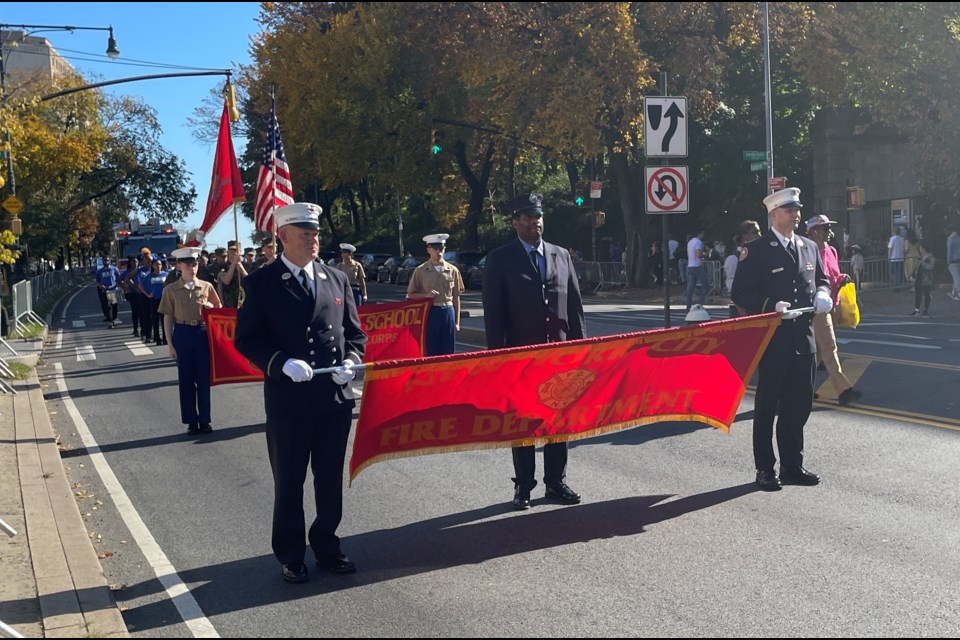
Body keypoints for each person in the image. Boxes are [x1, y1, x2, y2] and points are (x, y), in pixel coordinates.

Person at [234, 202, 367, 584]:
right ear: (284, 236)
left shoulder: (335, 278)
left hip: (332, 399)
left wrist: (351, 362)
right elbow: (246, 339)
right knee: (290, 481)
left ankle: (327, 545)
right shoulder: (260, 283)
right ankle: (292, 555)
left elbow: (355, 333)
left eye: (316, 233)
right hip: (289, 402)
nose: (314, 240)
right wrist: (279, 363)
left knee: (329, 479)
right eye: (305, 234)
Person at [482, 192, 586, 510]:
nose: (534, 222)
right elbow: (493, 312)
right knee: (524, 422)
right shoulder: (500, 259)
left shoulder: (560, 255)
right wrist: (496, 357)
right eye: (527, 218)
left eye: (538, 217)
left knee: (558, 421)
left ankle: (556, 482)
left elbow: (575, 306)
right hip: (520, 355)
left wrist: (583, 348)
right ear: (515, 222)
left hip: (559, 354)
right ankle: (524, 485)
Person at [731, 187, 833, 492]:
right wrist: (771, 307)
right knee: (767, 406)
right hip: (773, 339)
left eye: (797, 209)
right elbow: (740, 293)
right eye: (789, 209)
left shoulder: (808, 246)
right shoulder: (757, 249)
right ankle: (765, 468)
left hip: (803, 338)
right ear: (774, 214)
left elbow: (821, 280)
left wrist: (825, 293)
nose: (796, 214)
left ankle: (792, 465)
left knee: (798, 405)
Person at [158, 247, 222, 436]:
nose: (192, 268)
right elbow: (167, 317)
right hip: (183, 332)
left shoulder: (206, 286)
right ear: (179, 266)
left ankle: (205, 420)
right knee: (186, 380)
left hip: (202, 332)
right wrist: (170, 344)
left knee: (203, 379)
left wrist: (210, 306)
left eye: (194, 264)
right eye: (188, 265)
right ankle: (191, 421)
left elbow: (218, 307)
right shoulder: (171, 289)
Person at [806, 215, 862, 406]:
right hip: (817, 308)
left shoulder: (831, 251)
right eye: (825, 228)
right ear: (813, 231)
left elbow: (833, 275)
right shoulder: (807, 252)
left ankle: (803, 387)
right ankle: (844, 390)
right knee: (829, 347)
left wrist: (842, 278)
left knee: (819, 353)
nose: (829, 232)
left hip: (833, 304)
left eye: (829, 227)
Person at [406, 233, 465, 355]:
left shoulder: (452, 270)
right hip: (430, 312)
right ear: (429, 250)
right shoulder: (421, 270)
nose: (439, 252)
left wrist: (457, 322)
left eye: (442, 248)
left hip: (448, 311)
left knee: (448, 351)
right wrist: (426, 296)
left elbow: (456, 298)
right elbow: (411, 294)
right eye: (435, 249)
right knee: (431, 349)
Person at [217, 241, 247, 309]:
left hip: (244, 302)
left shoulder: (247, 265)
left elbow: (249, 280)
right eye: (232, 250)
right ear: (228, 251)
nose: (234, 252)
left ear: (240, 251)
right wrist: (234, 264)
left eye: (236, 250)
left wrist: (241, 267)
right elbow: (226, 281)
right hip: (229, 303)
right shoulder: (223, 267)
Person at [336, 243, 368, 308]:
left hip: (355, 290)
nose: (343, 255)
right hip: (343, 291)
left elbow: (361, 280)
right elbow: (336, 281)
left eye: (345, 253)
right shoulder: (339, 266)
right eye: (342, 253)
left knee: (357, 309)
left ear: (350, 254)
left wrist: (364, 294)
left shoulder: (357, 265)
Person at [94, 257, 121, 325]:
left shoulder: (114, 269)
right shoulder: (100, 271)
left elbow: (119, 278)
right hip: (104, 290)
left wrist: (119, 285)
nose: (106, 262)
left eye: (107, 260)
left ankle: (114, 318)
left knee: (114, 305)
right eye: (105, 260)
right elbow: (97, 281)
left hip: (113, 289)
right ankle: (108, 317)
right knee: (105, 304)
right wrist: (100, 285)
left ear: (110, 261)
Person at [911, 243, 936, 316]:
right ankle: (917, 309)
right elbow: (917, 267)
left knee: (927, 294)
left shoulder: (931, 257)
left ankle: (926, 309)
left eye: (921, 248)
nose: (920, 249)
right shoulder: (920, 257)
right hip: (919, 277)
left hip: (927, 278)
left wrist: (922, 262)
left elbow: (930, 266)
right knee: (918, 293)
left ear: (924, 249)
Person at [685, 230, 707, 310]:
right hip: (697, 266)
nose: (703, 235)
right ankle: (700, 303)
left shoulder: (690, 242)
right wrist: (703, 256)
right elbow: (698, 254)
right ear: (700, 233)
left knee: (691, 287)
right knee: (705, 285)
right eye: (703, 234)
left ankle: (688, 305)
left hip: (690, 265)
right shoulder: (698, 242)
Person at [947, 227, 960, 301]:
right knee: (956, 276)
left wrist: (948, 261)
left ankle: (958, 292)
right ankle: (954, 291)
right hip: (959, 260)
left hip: (952, 261)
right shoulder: (959, 238)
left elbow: (949, 251)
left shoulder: (950, 239)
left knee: (956, 277)